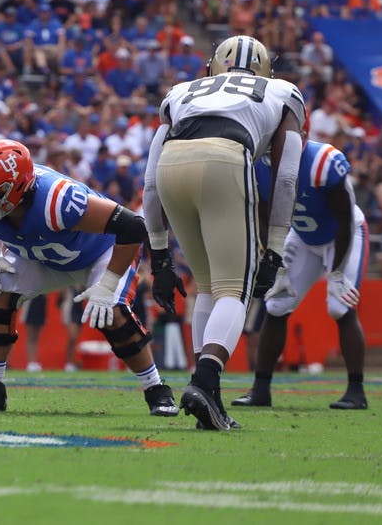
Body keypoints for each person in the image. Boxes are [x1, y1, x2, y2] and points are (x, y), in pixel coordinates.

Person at [142, 35, 306, 431]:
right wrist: (276, 248)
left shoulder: (182, 91)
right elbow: (285, 178)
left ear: (212, 66)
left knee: (208, 286)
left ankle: (207, 392)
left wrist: (160, 256)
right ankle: (206, 381)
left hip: (171, 167)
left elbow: (148, 182)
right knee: (235, 289)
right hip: (225, 157)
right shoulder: (282, 91)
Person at [0, 139, 178, 415]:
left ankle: (157, 390)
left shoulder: (57, 199)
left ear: (19, 187)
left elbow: (132, 227)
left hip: (100, 252)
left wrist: (107, 283)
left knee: (112, 313)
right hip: (42, 256)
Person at [233, 128, 369, 410]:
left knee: (339, 305)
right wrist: (271, 254)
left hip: (343, 236)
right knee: (277, 303)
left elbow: (344, 221)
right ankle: (261, 390)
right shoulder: (259, 164)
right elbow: (262, 214)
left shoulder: (324, 161)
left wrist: (336, 273)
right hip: (302, 235)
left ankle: (356, 390)